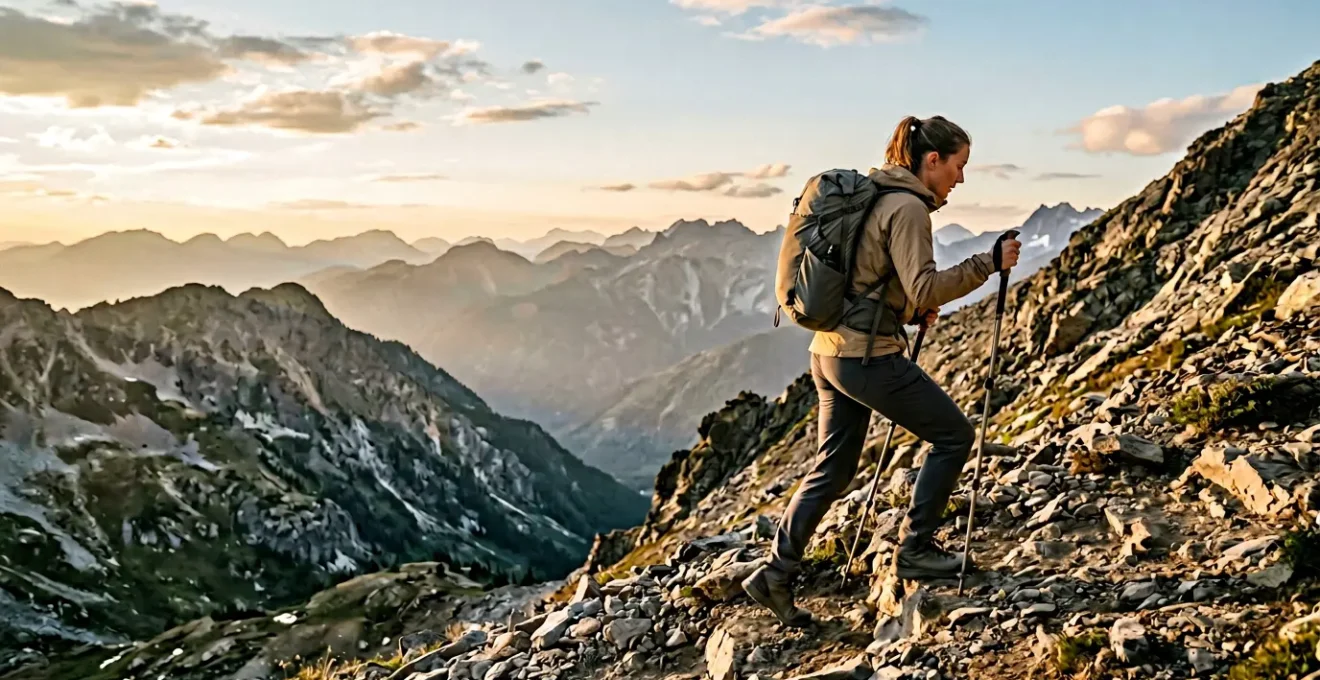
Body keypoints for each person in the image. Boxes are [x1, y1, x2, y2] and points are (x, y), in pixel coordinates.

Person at [743, 114, 1022, 627]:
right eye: (958, 166)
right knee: (955, 437)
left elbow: (872, 280)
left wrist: (909, 310)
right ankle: (916, 549)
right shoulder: (908, 208)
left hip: (828, 353)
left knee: (834, 468)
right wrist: (989, 263)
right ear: (931, 161)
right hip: (866, 358)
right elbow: (926, 287)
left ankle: (774, 575)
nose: (960, 178)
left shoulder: (873, 195)